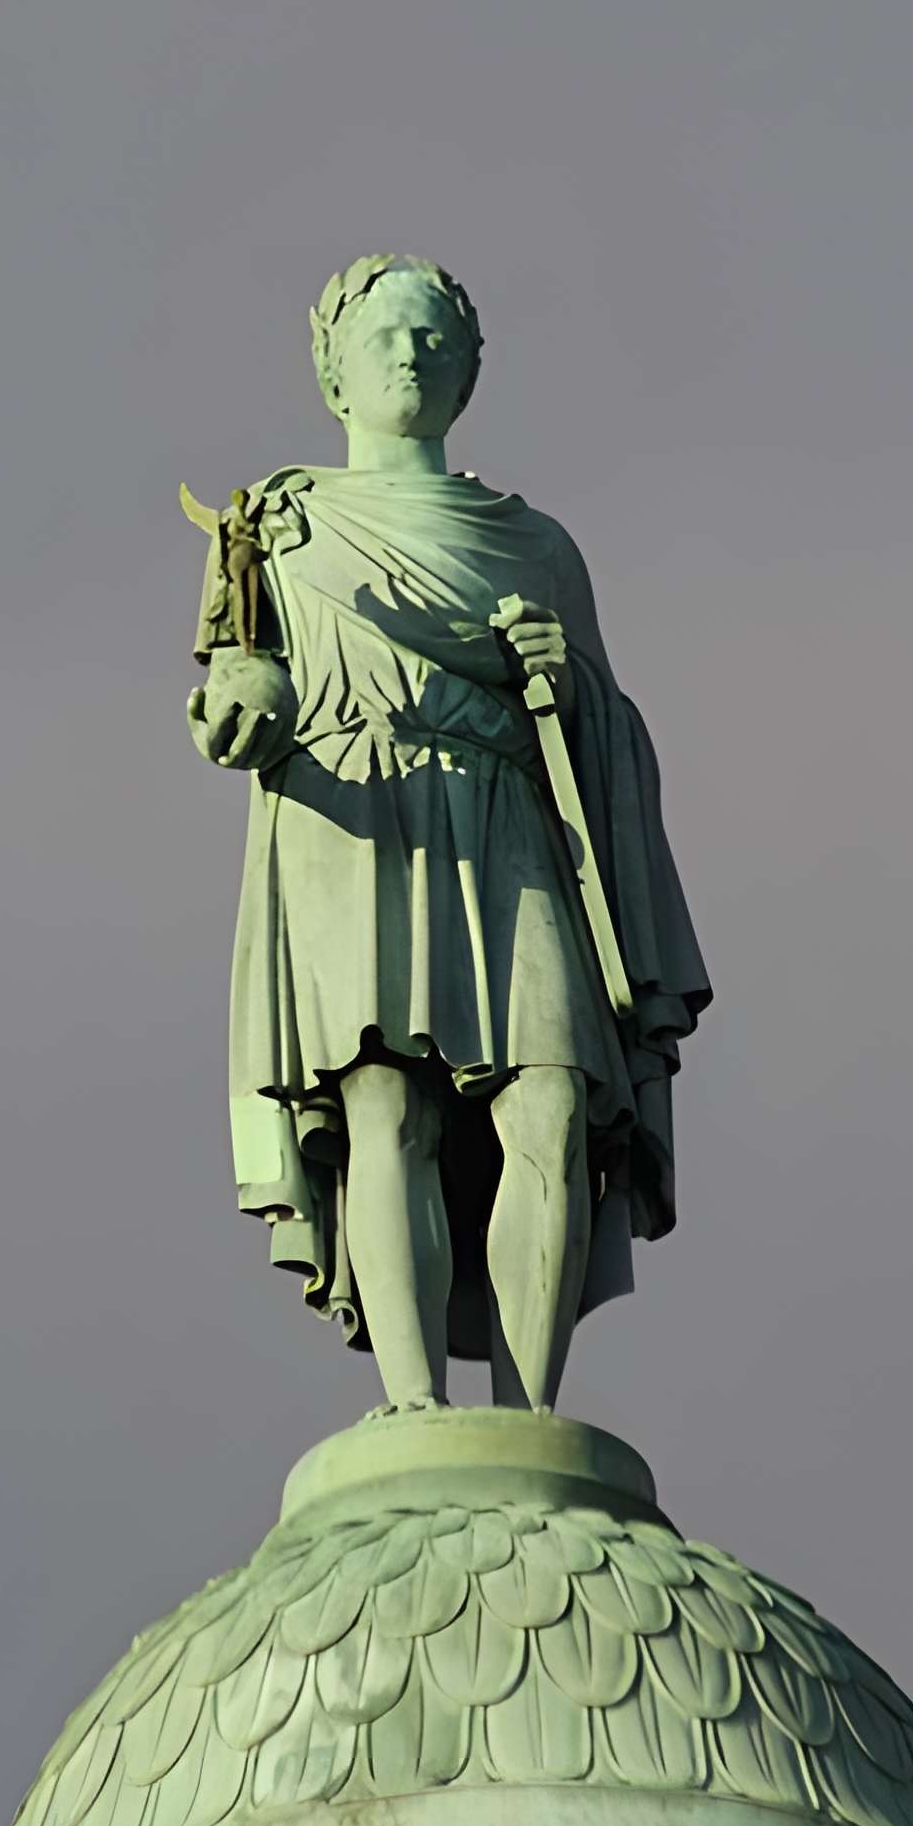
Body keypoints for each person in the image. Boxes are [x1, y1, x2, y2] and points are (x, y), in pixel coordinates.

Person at [185, 252, 709, 1413]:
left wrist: (558, 679)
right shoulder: (282, 523)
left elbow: (609, 741)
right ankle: (413, 1397)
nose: (410, 357)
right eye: (384, 340)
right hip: (360, 808)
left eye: (433, 339)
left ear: (473, 366)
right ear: (332, 369)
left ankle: (528, 1410)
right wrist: (236, 709)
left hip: (506, 815)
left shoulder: (536, 546)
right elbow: (241, 676)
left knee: (554, 1098)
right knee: (387, 1097)